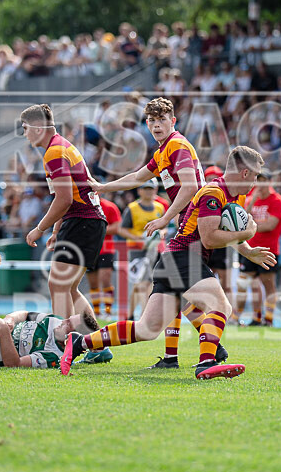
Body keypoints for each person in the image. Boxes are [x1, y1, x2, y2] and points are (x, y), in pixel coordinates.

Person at [61, 146, 276, 380]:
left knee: (147, 329)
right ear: (245, 173)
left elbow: (225, 233)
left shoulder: (231, 195)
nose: (255, 182)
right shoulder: (214, 193)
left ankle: (80, 342)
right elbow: (209, 238)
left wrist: (248, 251)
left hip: (173, 259)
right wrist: (247, 233)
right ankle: (206, 363)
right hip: (184, 257)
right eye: (255, 176)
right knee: (221, 306)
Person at [90, 97, 217, 369]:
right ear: (146, 124)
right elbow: (137, 177)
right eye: (152, 121)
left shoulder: (177, 145)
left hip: (194, 226)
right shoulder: (162, 151)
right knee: (175, 291)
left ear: (173, 121)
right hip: (190, 225)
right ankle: (176, 357)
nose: (157, 125)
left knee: (185, 293)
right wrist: (103, 187)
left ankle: (211, 351)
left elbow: (190, 186)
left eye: (162, 120)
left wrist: (164, 218)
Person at [22, 104, 106, 333]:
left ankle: (64, 344)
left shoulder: (54, 152)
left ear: (37, 128)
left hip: (83, 220)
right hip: (88, 220)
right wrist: (57, 230)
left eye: (25, 128)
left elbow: (65, 199)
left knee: (58, 285)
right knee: (69, 288)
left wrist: (40, 228)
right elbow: (68, 195)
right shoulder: (62, 145)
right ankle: (95, 343)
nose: (25, 134)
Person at [0, 306, 98, 368]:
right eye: (67, 319)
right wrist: (10, 319)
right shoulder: (54, 321)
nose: (63, 321)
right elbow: (25, 314)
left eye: (68, 324)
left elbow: (14, 364)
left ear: (73, 339)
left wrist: (3, 330)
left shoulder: (53, 356)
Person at [238, 170, 281, 326]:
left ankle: (269, 319)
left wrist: (250, 228)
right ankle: (255, 318)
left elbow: (270, 225)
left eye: (264, 180)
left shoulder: (276, 200)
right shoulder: (251, 198)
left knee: (268, 284)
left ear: (270, 182)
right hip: (250, 248)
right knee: (247, 283)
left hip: (269, 248)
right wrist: (252, 201)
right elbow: (241, 219)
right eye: (259, 180)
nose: (261, 184)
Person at [117, 178, 166, 319]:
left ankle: (131, 315)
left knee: (147, 282)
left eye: (151, 189)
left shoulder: (159, 207)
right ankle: (144, 316)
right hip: (136, 250)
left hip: (154, 249)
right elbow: (122, 229)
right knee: (141, 283)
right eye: (146, 189)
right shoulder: (132, 208)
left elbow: (165, 228)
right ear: (139, 191)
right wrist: (138, 238)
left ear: (155, 190)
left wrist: (159, 234)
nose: (149, 192)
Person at [204, 166, 234, 324]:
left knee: (226, 284)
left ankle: (230, 316)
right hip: (206, 247)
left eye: (214, 178)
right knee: (205, 284)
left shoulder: (227, 197)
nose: (212, 181)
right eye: (209, 178)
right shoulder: (202, 195)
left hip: (223, 246)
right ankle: (209, 314)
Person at [86, 195, 121, 318]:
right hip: (89, 249)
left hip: (106, 249)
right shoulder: (84, 207)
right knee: (93, 283)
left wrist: (97, 229)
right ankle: (96, 312)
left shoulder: (110, 206)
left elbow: (116, 227)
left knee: (105, 280)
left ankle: (107, 311)